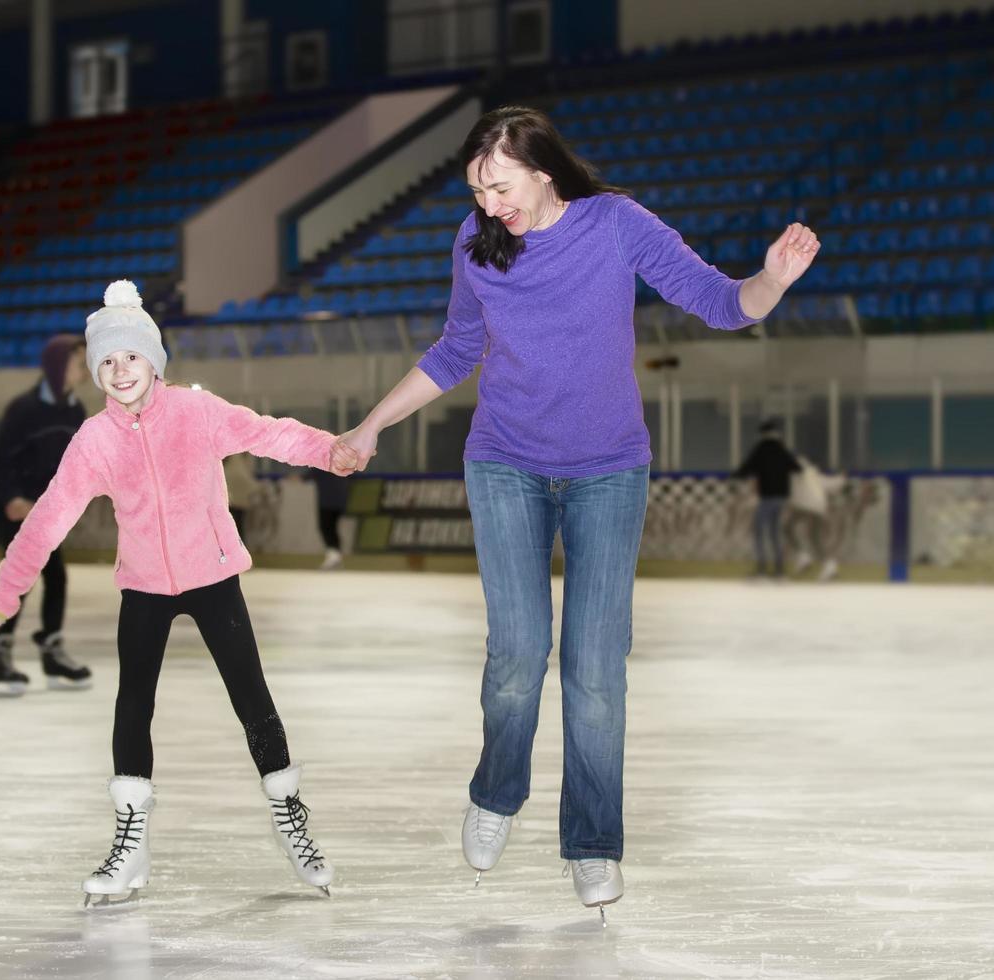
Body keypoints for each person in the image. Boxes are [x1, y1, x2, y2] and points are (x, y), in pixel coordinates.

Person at [336, 107, 819, 916]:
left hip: (606, 471)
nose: (488, 204)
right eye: (475, 190)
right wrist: (370, 424)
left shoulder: (614, 224)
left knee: (594, 674)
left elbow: (716, 301)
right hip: (504, 463)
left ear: (542, 170)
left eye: (499, 186)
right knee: (518, 656)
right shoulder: (474, 241)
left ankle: (592, 842)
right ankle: (496, 792)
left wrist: (768, 279)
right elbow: (456, 348)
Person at [0, 280, 359, 904]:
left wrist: (329, 450)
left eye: (131, 356)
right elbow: (47, 517)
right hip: (145, 584)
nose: (120, 370)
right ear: (96, 372)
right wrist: (6, 592)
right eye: (107, 361)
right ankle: (131, 842)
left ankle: (290, 816)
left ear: (154, 357)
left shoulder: (197, 414)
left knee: (251, 695)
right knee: (133, 704)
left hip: (212, 575)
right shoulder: (94, 440)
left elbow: (269, 433)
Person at [0, 334, 94, 697]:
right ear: (59, 365)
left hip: (45, 511)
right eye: (79, 362)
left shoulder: (75, 411)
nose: (85, 369)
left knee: (56, 578)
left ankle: (52, 652)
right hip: (14, 510)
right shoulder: (25, 409)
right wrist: (12, 496)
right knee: (21, 582)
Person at [733, 419, 803, 578]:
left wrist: (735, 475)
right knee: (774, 532)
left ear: (763, 434)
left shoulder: (761, 449)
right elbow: (797, 468)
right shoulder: (782, 449)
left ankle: (762, 568)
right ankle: (779, 569)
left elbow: (746, 468)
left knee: (758, 530)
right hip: (782, 497)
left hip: (768, 496)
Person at [786, 455, 845, 582]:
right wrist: (841, 477)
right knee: (814, 537)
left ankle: (803, 557)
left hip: (804, 504)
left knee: (788, 527)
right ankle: (829, 565)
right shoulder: (813, 474)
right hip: (819, 506)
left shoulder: (795, 471)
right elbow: (831, 484)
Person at [308, 469, 351, 569]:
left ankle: (334, 556)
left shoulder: (322, 464)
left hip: (327, 502)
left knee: (326, 527)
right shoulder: (342, 461)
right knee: (331, 528)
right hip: (340, 500)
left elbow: (310, 475)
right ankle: (335, 556)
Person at [223, 453, 260, 547]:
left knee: (233, 522)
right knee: (238, 523)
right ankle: (239, 551)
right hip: (237, 485)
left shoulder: (234, 451)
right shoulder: (245, 453)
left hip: (232, 485)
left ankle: (231, 550)